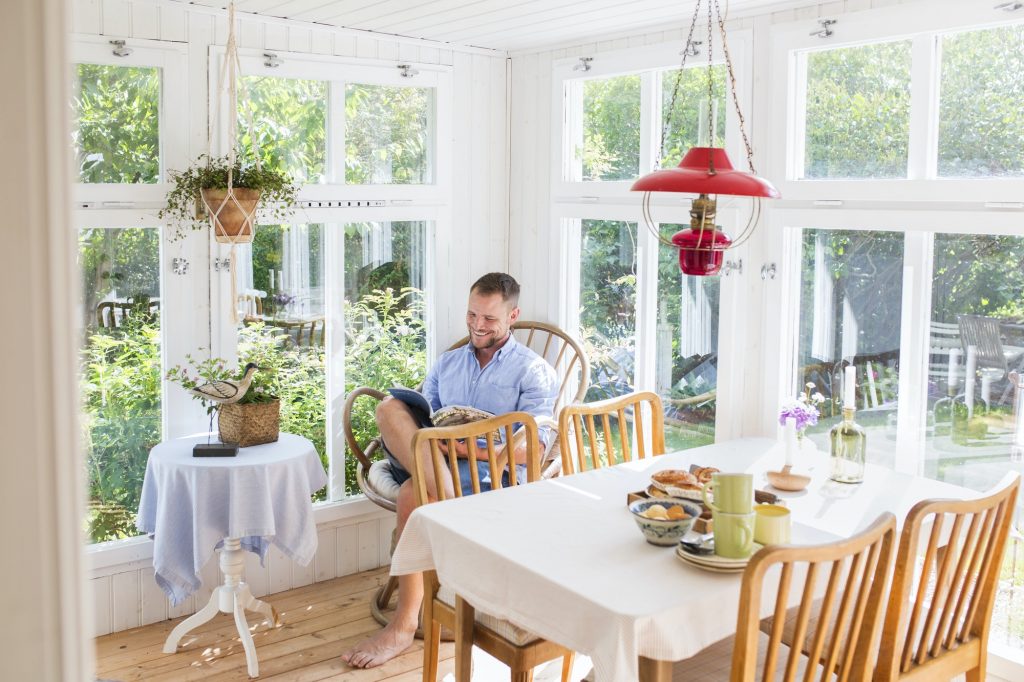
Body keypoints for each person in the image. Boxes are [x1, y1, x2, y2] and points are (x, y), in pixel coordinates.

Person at [341, 272, 558, 669]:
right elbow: (424, 418)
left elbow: (535, 450)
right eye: (472, 315)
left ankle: (403, 627)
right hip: (434, 460)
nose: (478, 325)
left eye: (489, 319)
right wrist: (436, 440)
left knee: (413, 495)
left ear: (513, 316)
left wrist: (464, 448)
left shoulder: (534, 371)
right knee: (389, 407)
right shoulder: (449, 362)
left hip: (491, 474)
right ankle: (434, 480)